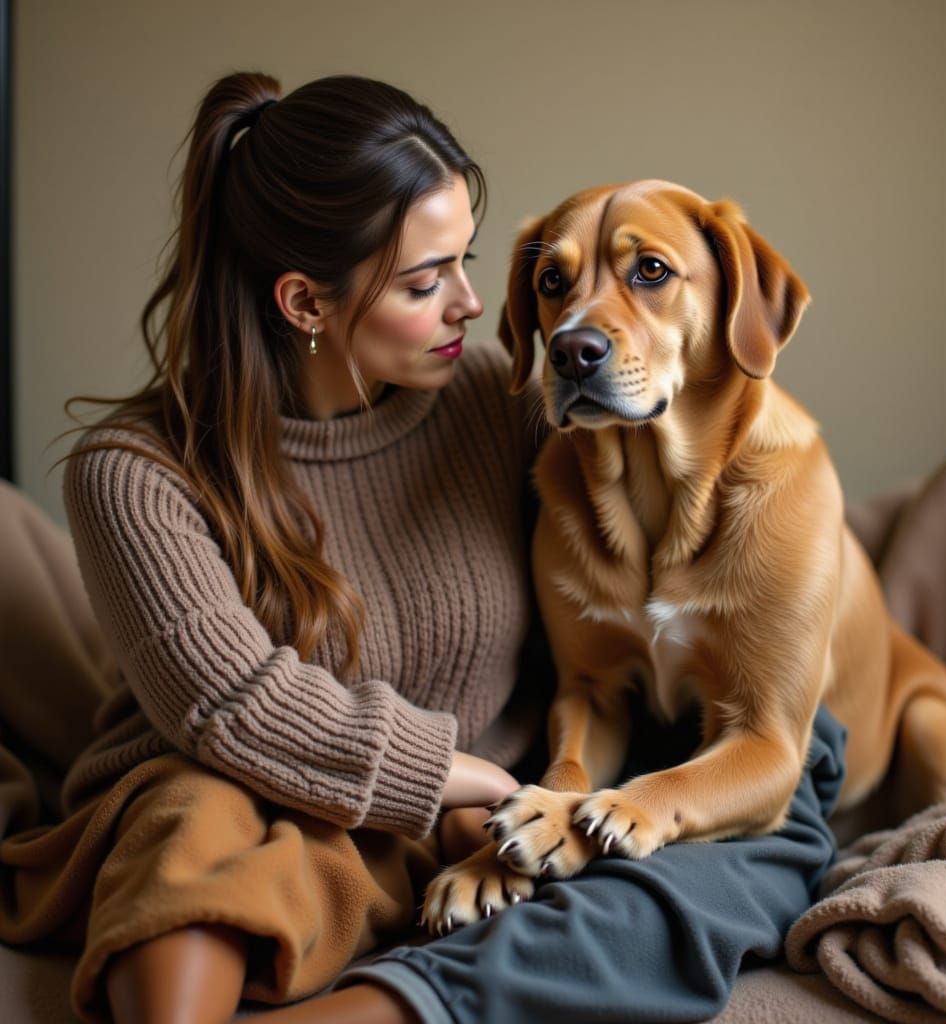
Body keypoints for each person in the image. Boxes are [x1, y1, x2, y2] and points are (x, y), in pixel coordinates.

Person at [0, 71, 845, 1024]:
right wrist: (463, 775)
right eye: (423, 281)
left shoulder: (500, 404)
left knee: (702, 874)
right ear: (305, 303)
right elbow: (231, 703)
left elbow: (700, 492)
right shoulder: (133, 471)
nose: (473, 306)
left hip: (480, 825)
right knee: (191, 838)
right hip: (256, 791)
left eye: (466, 262)